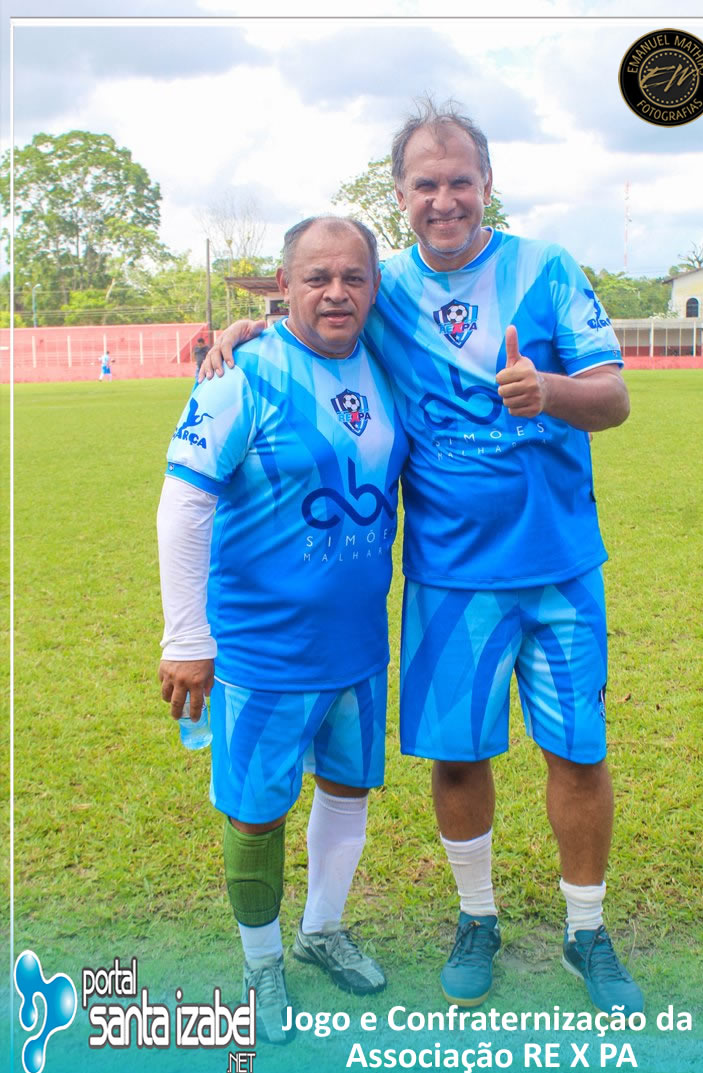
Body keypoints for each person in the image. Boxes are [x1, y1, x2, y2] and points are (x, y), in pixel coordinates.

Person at [203, 99, 643, 1017]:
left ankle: (586, 931)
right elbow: (315, 327)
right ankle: (475, 918)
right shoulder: (383, 287)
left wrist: (548, 389)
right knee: (457, 756)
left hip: (560, 568)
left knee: (577, 753)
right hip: (449, 576)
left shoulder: (545, 268)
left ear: (487, 185)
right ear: (399, 194)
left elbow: (613, 399)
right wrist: (243, 335)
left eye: (460, 182)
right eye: (424, 184)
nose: (444, 200)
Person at [158, 216, 408, 1043]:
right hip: (262, 651)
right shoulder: (242, 375)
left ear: (373, 285)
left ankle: (321, 929)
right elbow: (183, 505)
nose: (336, 293)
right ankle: (261, 961)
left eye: (353, 277)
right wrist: (185, 638)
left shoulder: (384, 363)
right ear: (284, 285)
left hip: (357, 644)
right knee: (256, 813)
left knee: (346, 788)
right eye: (316, 278)